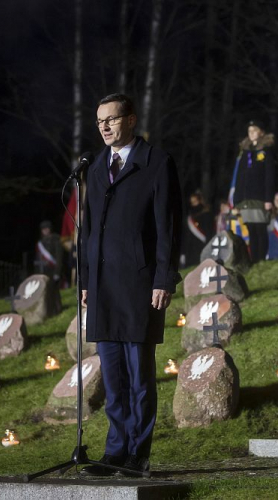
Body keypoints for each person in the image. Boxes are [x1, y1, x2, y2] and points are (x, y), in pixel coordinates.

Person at [80, 93, 182, 476]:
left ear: (131, 120)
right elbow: (88, 229)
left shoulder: (155, 162)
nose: (104, 126)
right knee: (113, 376)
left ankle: (138, 453)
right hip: (103, 285)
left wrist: (163, 277)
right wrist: (86, 278)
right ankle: (115, 451)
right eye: (99, 121)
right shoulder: (94, 168)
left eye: (111, 119)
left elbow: (168, 227)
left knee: (139, 376)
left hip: (140, 284)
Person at [229, 120, 276, 263]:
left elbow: (270, 177)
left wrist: (269, 199)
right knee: (251, 230)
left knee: (260, 229)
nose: (251, 134)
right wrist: (237, 200)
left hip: (260, 198)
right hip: (245, 198)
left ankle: (262, 260)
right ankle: (254, 261)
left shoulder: (266, 151)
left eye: (254, 130)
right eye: (249, 131)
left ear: (261, 132)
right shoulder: (245, 152)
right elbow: (240, 177)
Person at [182, 190, 214, 267]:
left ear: (200, 201)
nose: (194, 204)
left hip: (202, 245)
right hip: (191, 249)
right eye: (192, 202)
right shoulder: (190, 217)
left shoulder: (207, 214)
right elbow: (186, 235)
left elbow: (209, 231)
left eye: (195, 201)